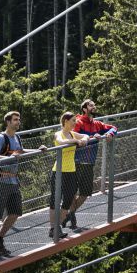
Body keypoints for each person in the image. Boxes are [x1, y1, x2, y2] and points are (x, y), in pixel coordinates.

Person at [0, 111, 39, 260]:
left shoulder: (17, 137)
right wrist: (8, 158)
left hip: (13, 181)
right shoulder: (0, 138)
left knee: (15, 211)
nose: (18, 122)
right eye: (15, 120)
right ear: (8, 122)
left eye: (19, 120)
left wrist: (38, 150)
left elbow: (20, 152)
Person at [67, 99, 118, 229]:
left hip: (89, 162)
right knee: (72, 191)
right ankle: (72, 219)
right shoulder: (78, 122)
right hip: (76, 161)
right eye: (91, 105)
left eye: (94, 105)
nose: (94, 107)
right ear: (84, 109)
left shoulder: (96, 124)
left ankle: (68, 214)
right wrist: (90, 138)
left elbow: (113, 128)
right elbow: (72, 137)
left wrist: (107, 134)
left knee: (85, 193)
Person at [49, 111, 88, 239]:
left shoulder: (72, 133)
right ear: (65, 121)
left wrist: (83, 140)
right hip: (59, 171)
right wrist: (77, 142)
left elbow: (85, 136)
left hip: (71, 171)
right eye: (73, 121)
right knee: (55, 199)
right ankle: (53, 228)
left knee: (68, 199)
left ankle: (58, 226)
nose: (74, 123)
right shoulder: (58, 134)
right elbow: (61, 142)